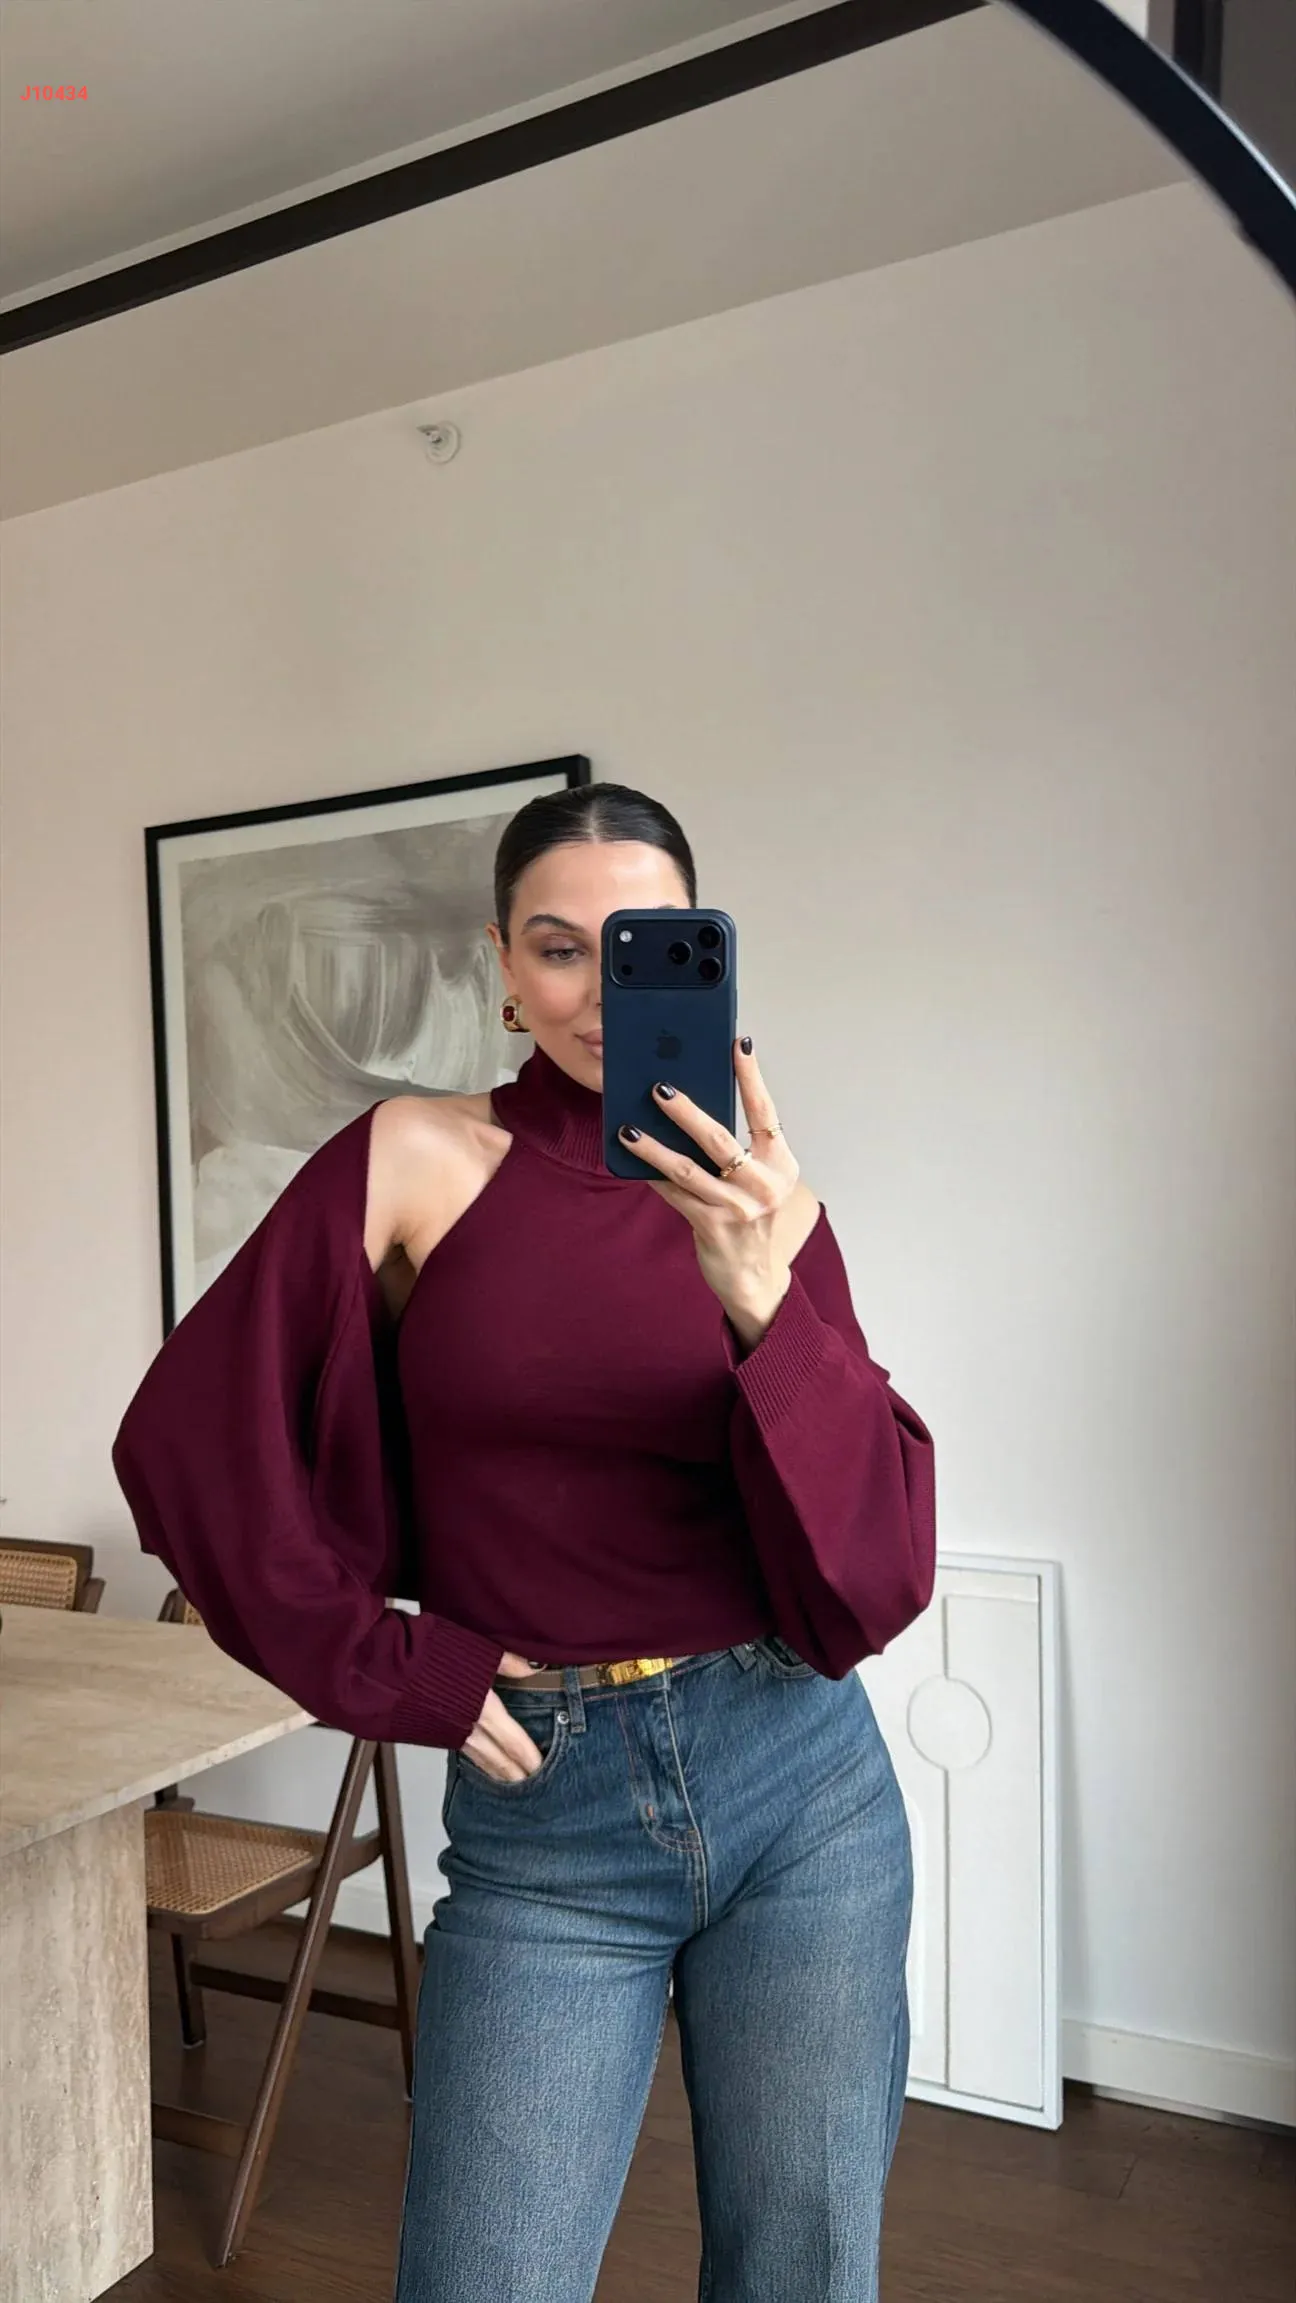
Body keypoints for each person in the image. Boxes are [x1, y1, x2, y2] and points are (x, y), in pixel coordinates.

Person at [113, 781, 936, 2303]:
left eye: (648, 949)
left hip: (802, 1779)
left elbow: (875, 1574)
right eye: (563, 950)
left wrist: (763, 1293)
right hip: (546, 1813)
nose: (605, 994)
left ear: (709, 958)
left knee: (804, 2272)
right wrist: (386, 1664)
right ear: (502, 962)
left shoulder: (769, 1202)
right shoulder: (416, 1154)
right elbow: (187, 1444)